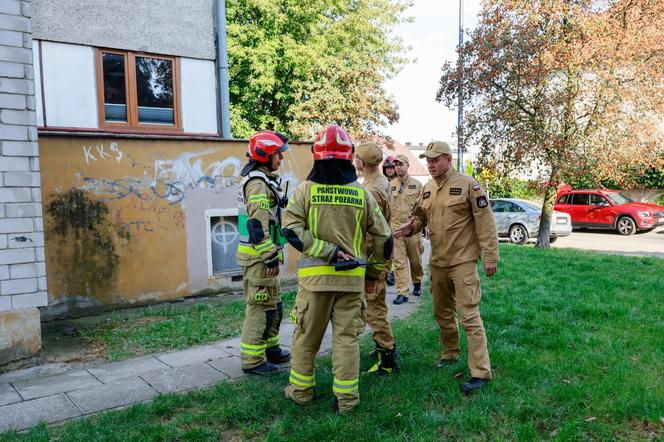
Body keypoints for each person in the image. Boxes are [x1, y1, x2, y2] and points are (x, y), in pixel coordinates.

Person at [282, 125, 393, 414]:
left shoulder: (305, 190)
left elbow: (290, 230)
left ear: (317, 156)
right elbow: (385, 238)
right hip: (351, 283)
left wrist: (326, 251)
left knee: (306, 339)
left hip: (315, 283)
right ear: (348, 158)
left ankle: (301, 392)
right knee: (346, 341)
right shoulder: (362, 194)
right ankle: (346, 401)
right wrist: (375, 273)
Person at [393, 141, 499, 394]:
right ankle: (450, 353)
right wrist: (412, 227)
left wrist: (491, 256)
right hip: (438, 262)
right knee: (442, 313)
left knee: (469, 316)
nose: (430, 164)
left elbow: (485, 221)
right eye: (427, 160)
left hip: (462, 262)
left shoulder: (468, 185)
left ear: (448, 159)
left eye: (435, 160)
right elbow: (420, 217)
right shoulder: (428, 188)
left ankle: (480, 372)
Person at [236, 130, 292, 375]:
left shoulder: (266, 179)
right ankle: (252, 360)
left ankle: (270, 348)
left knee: (273, 304)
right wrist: (269, 255)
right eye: (277, 154)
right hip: (260, 257)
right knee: (259, 307)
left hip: (266, 255)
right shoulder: (257, 183)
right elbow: (257, 225)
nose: (280, 158)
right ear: (265, 155)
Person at [354, 142, 398, 376]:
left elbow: (372, 233)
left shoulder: (371, 191)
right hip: (381, 254)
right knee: (375, 304)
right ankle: (384, 347)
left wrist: (371, 264)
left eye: (356, 158)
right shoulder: (381, 182)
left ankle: (387, 357)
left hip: (374, 256)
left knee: (374, 308)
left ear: (361, 162)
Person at [391, 154, 424, 305]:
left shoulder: (417, 185)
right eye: (396, 164)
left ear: (407, 166)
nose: (398, 167)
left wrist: (424, 225)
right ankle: (402, 292)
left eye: (401, 164)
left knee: (415, 260)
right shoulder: (390, 185)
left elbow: (423, 207)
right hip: (396, 229)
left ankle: (417, 282)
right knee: (399, 262)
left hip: (412, 229)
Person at [382, 156, 397, 286]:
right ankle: (390, 273)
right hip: (387, 220)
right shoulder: (382, 182)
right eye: (387, 168)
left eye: (391, 168)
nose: (389, 170)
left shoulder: (401, 182)